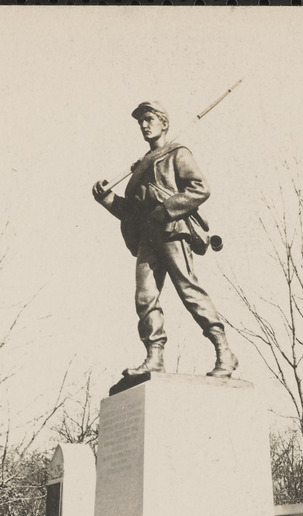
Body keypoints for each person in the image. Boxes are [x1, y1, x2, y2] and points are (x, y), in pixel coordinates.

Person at [92, 100, 239, 378]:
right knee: (145, 297)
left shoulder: (177, 154)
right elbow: (131, 213)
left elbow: (200, 189)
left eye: (149, 119)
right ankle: (154, 357)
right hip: (147, 238)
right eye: (140, 122)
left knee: (189, 292)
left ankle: (224, 352)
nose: (144, 125)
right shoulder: (139, 167)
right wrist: (108, 199)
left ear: (164, 123)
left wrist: (165, 209)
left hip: (173, 231)